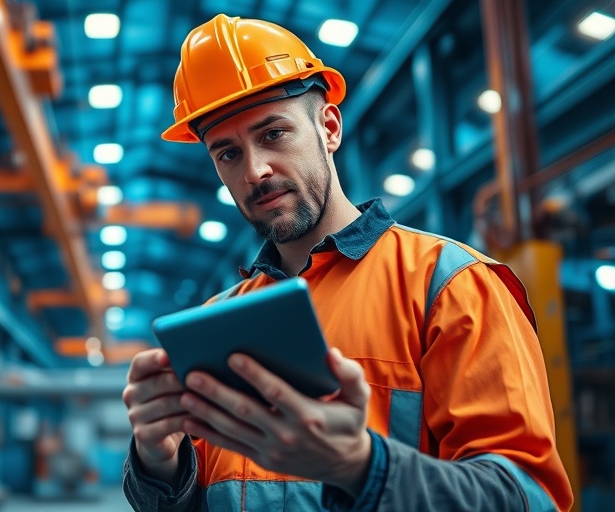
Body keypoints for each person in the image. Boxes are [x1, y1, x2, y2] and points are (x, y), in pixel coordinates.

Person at [121, 13, 573, 512]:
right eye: (227, 154)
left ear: (329, 128)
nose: (255, 170)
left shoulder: (449, 286)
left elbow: (526, 498)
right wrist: (160, 465)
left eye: (273, 134)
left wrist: (362, 467)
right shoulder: (217, 323)